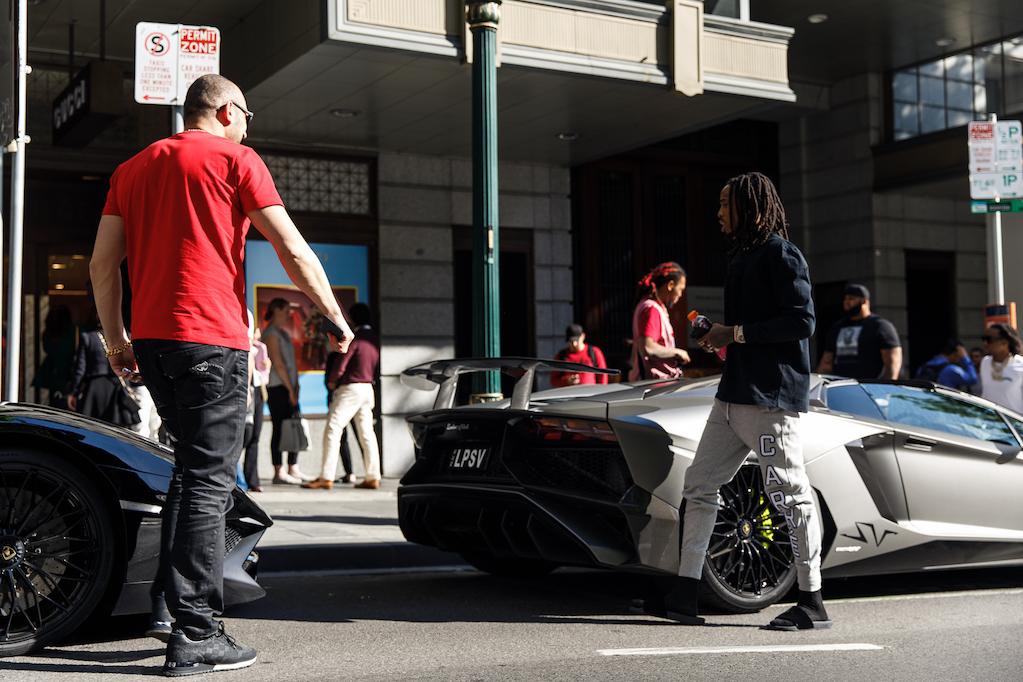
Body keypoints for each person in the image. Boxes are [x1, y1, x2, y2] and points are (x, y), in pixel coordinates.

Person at [89, 74, 354, 676]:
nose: (249, 125)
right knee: (208, 483)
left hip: (155, 343)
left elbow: (104, 264)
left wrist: (116, 340)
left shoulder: (132, 169)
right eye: (248, 115)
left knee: (189, 474)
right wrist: (334, 317)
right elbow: (289, 246)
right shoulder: (238, 159)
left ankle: (165, 604)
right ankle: (197, 634)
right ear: (228, 110)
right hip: (211, 339)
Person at [640, 172, 829, 631]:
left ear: (748, 206)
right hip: (733, 395)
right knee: (700, 485)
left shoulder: (783, 255)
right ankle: (685, 593)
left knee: (790, 496)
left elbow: (802, 322)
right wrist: (719, 337)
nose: (718, 213)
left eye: (725, 204)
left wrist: (736, 333)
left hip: (769, 402)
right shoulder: (743, 257)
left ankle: (812, 601)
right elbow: (752, 330)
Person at [303, 303, 381, 490]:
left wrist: (332, 380)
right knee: (367, 433)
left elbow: (342, 362)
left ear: (353, 319)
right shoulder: (373, 338)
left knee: (333, 427)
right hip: (368, 387)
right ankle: (373, 475)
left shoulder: (357, 338)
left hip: (351, 388)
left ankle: (326, 476)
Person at [68, 304, 141, 429]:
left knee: (93, 429)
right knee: (118, 431)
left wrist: (73, 392)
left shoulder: (88, 337)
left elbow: (80, 370)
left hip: (94, 390)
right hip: (116, 386)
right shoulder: (126, 337)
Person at [263, 298, 311, 484]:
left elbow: (291, 364)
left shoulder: (283, 333)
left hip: (289, 386)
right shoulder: (271, 333)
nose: (288, 315)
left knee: (293, 425)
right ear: (276, 310)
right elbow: (279, 364)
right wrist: (291, 389)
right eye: (285, 311)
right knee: (279, 428)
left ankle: (293, 467)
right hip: (278, 387)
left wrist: (295, 386)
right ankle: (279, 471)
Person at [817, 284, 902, 380]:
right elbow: (826, 362)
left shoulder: (881, 326)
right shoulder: (838, 327)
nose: (846, 302)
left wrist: (884, 388)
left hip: (868, 387)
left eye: (851, 299)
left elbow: (892, 363)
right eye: (845, 299)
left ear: (864, 301)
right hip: (840, 387)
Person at [628, 262, 690, 381]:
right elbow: (648, 348)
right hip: (654, 387)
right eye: (681, 289)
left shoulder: (651, 306)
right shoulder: (651, 309)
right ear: (671, 285)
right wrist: (677, 352)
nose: (681, 295)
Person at [241, 311, 271, 492]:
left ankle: (253, 479)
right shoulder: (241, 349)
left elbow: (265, 376)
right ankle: (237, 479)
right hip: (242, 392)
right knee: (241, 436)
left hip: (257, 391)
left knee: (254, 436)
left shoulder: (260, 348)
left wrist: (265, 368)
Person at [32, 304, 77, 407]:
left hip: (52, 370)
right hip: (66, 370)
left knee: (52, 401)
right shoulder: (73, 331)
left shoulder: (47, 333)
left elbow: (46, 348)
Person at [976, 323, 1023, 414]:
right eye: (984, 339)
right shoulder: (985, 362)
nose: (985, 343)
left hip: (1014, 425)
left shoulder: (1021, 364)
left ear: (1005, 343)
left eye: (989, 340)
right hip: (988, 422)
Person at [551, 323, 608, 388]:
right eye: (570, 341)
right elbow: (554, 380)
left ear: (583, 336)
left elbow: (603, 375)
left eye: (576, 340)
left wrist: (600, 391)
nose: (574, 344)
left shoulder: (594, 352)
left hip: (590, 394)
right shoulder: (561, 355)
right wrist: (567, 380)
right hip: (569, 395)